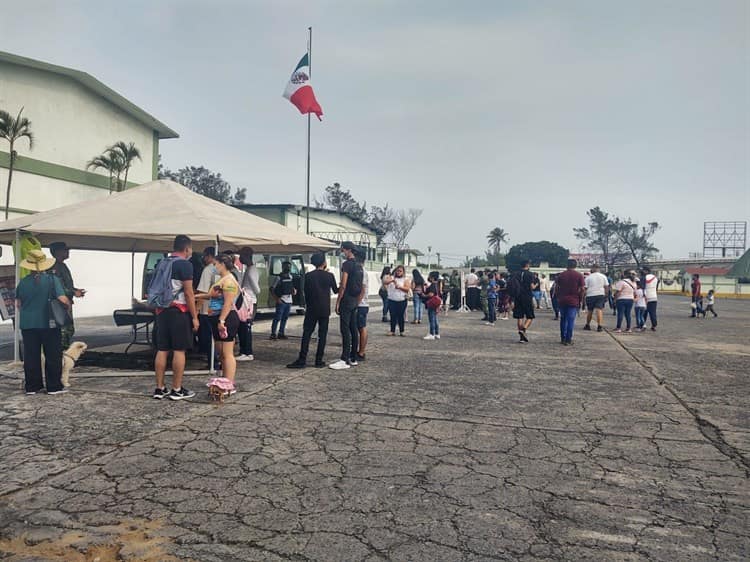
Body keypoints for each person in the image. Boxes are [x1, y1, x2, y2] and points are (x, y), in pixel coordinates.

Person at [16, 250, 70, 395]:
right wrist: (68, 305)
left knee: (31, 356)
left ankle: (32, 387)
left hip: (28, 324)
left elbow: (18, 304)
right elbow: (62, 299)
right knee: (53, 355)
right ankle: (53, 387)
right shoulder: (52, 280)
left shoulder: (23, 282)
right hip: (49, 323)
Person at [153, 235, 199, 401]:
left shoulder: (162, 263)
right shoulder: (185, 265)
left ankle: (159, 388)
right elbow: (188, 293)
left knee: (162, 349)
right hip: (178, 311)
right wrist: (194, 317)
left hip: (161, 310)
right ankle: (177, 389)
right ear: (186, 249)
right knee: (179, 350)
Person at [287, 253, 338, 369]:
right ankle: (319, 360)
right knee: (322, 335)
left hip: (312, 308)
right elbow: (336, 290)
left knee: (307, 334)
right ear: (324, 263)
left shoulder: (309, 276)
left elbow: (305, 291)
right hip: (324, 309)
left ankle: (302, 359)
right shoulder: (329, 276)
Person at [197, 254, 240, 387]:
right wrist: (195, 296)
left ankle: (229, 382)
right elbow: (211, 295)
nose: (214, 267)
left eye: (215, 264)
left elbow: (228, 303)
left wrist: (221, 321)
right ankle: (224, 379)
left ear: (222, 264)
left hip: (226, 318)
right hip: (215, 316)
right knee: (221, 353)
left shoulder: (229, 281)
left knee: (227, 353)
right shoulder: (221, 279)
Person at [330, 241, 363, 370]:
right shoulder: (359, 266)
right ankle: (353, 357)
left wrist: (338, 301)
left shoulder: (347, 265)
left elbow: (343, 284)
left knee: (345, 329)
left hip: (347, 299)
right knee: (353, 329)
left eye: (343, 250)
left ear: (348, 250)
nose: (342, 252)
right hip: (355, 300)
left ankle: (344, 359)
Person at [49, 242, 86, 349]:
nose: (67, 252)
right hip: (60, 304)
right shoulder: (54, 267)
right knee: (64, 331)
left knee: (68, 330)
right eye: (65, 250)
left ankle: (61, 355)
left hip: (65, 302)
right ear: (57, 252)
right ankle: (61, 356)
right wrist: (73, 292)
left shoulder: (62, 266)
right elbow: (57, 287)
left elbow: (65, 285)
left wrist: (75, 290)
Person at [237, 247, 260, 361]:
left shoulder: (251, 271)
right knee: (243, 326)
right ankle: (244, 351)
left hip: (249, 301)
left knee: (246, 326)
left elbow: (257, 289)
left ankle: (247, 352)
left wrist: (246, 291)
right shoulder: (250, 269)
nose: (240, 258)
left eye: (241, 255)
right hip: (247, 300)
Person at [195, 247, 218, 365]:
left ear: (209, 256)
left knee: (207, 338)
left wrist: (196, 311)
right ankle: (217, 361)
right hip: (218, 308)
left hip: (206, 310)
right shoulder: (220, 269)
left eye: (204, 256)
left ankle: (212, 363)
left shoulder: (208, 270)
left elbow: (203, 292)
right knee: (217, 337)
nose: (203, 259)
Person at [555, 258, 585, 345]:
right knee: (571, 320)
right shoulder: (579, 275)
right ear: (575, 265)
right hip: (574, 300)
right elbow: (582, 289)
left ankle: (562, 338)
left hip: (562, 300)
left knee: (563, 319)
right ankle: (568, 339)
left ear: (567, 265)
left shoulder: (561, 275)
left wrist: (558, 297)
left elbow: (556, 288)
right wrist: (581, 299)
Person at [513, 260, 537, 343]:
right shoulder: (530, 274)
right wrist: (536, 284)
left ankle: (521, 337)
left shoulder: (516, 274)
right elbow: (532, 287)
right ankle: (524, 329)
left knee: (519, 317)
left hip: (518, 296)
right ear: (527, 265)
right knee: (530, 316)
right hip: (527, 296)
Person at [270, 261, 295, 340]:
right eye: (286, 266)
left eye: (289, 267)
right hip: (282, 301)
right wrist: (276, 299)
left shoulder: (291, 277)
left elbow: (290, 287)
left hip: (289, 301)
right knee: (277, 318)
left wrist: (294, 290)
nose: (288, 268)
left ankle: (281, 333)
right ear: (283, 267)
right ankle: (273, 334)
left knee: (285, 318)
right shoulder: (278, 278)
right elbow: (271, 288)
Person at [583, 264, 610, 333]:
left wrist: (583, 297)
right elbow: (606, 287)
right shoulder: (603, 276)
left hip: (590, 295)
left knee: (590, 310)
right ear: (599, 269)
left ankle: (588, 325)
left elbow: (585, 288)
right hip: (600, 294)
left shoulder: (588, 277)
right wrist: (606, 296)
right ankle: (599, 326)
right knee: (599, 310)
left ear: (592, 268)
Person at [385, 265, 410, 336]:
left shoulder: (405, 279)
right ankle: (392, 330)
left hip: (401, 300)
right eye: (397, 271)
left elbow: (407, 288)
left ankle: (402, 331)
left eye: (400, 271)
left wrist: (400, 287)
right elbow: (385, 282)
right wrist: (392, 280)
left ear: (403, 272)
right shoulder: (392, 277)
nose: (398, 272)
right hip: (392, 299)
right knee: (392, 315)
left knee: (400, 316)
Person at [422, 271, 442, 340]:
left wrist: (424, 295)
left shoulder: (433, 285)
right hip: (437, 303)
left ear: (432, 278)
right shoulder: (438, 284)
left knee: (432, 319)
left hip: (432, 303)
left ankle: (431, 334)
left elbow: (431, 294)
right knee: (435, 319)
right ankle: (437, 333)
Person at [642, 266, 659, 331]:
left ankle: (643, 325)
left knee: (644, 312)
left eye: (643, 270)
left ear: (646, 271)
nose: (642, 272)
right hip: (654, 297)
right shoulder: (655, 278)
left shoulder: (645, 277)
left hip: (646, 297)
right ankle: (654, 325)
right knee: (653, 312)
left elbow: (643, 287)